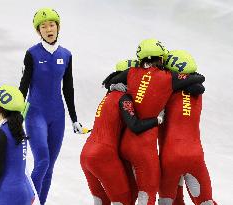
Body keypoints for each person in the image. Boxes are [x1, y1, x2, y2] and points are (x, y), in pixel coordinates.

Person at [104, 39, 205, 205]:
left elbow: (110, 81)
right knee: (148, 196)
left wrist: (117, 86)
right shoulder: (166, 78)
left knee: (127, 197)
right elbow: (198, 82)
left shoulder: (132, 73)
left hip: (125, 144)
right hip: (144, 147)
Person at [19, 8, 86, 204]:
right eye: (43, 26)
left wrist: (74, 119)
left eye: (52, 24)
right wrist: (16, 114)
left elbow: (69, 88)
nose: (49, 29)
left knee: (50, 167)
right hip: (35, 114)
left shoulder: (66, 55)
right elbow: (23, 85)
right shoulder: (31, 53)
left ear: (58, 27)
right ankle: (25, 201)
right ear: (38, 31)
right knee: (42, 161)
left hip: (57, 116)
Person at [80, 60, 165, 205]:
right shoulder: (124, 98)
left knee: (101, 201)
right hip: (104, 154)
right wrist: (158, 119)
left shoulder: (108, 95)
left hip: (86, 154)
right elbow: (135, 125)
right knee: (123, 201)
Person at [158, 50, 217, 205]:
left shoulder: (166, 90)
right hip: (194, 154)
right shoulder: (197, 90)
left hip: (169, 156)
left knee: (168, 202)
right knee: (206, 202)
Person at [0, 85, 35, 205]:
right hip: (26, 191)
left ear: (0, 109)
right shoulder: (19, 129)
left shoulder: (1, 133)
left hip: (10, 194)